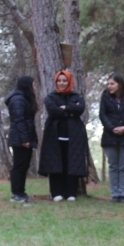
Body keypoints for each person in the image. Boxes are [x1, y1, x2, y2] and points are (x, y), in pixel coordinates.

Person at [38, 70, 89, 202]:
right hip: (54, 137)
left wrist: (64, 107)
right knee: (55, 165)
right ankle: (56, 193)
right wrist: (70, 111)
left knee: (71, 164)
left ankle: (70, 192)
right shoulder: (50, 97)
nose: (62, 83)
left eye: (64, 80)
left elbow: (80, 108)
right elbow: (53, 111)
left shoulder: (76, 96)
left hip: (74, 137)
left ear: (69, 82)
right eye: (59, 81)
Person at [99, 73, 124, 203]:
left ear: (119, 84)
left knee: (123, 166)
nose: (109, 86)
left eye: (112, 84)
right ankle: (115, 194)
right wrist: (112, 128)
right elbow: (102, 114)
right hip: (110, 136)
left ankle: (122, 194)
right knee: (113, 166)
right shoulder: (105, 97)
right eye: (108, 84)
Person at [5, 76, 38, 203]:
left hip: (24, 137)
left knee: (23, 166)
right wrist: (25, 139)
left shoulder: (23, 98)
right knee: (19, 166)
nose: (34, 87)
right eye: (33, 84)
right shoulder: (18, 100)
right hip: (20, 139)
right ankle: (16, 194)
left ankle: (21, 192)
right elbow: (19, 120)